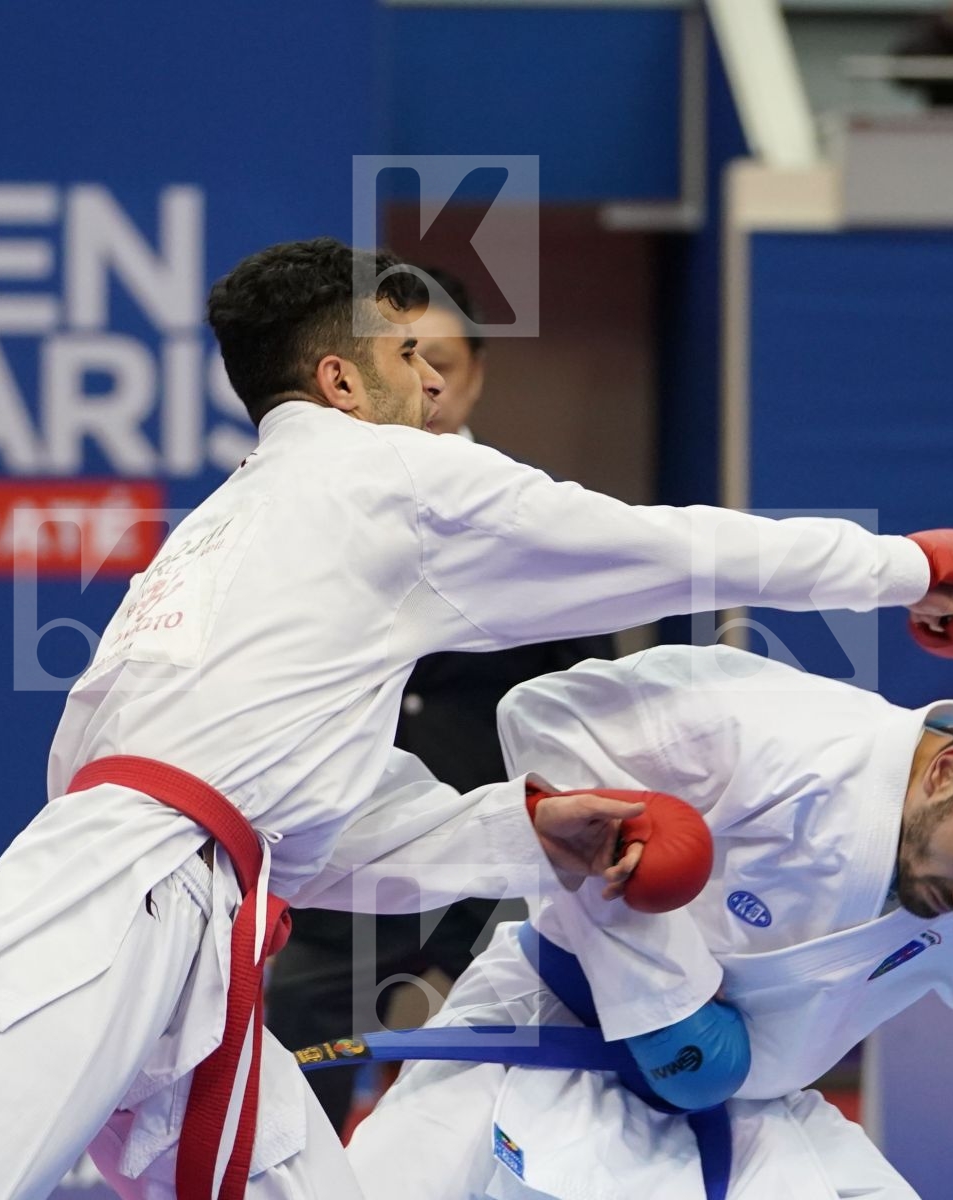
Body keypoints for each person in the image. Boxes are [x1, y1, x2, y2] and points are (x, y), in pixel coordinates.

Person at [0, 236, 953, 1200]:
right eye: (407, 354)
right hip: (120, 905)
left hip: (181, 904)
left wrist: (536, 827)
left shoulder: (219, 540)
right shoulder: (390, 475)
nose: (436, 382)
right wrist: (904, 567)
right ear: (340, 383)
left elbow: (323, 831)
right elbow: (666, 548)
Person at [347, 646, 953, 1199]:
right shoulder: (769, 731)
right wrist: (661, 990)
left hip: (750, 1117)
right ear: (948, 765)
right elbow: (544, 716)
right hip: (546, 1040)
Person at [264, 264, 613, 1133]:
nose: (427, 380)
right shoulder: (305, 512)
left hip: (484, 884)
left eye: (445, 361)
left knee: (475, 1125)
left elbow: (589, 709)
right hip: (338, 877)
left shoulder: (525, 516)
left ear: (478, 376)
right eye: (404, 355)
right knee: (288, 1104)